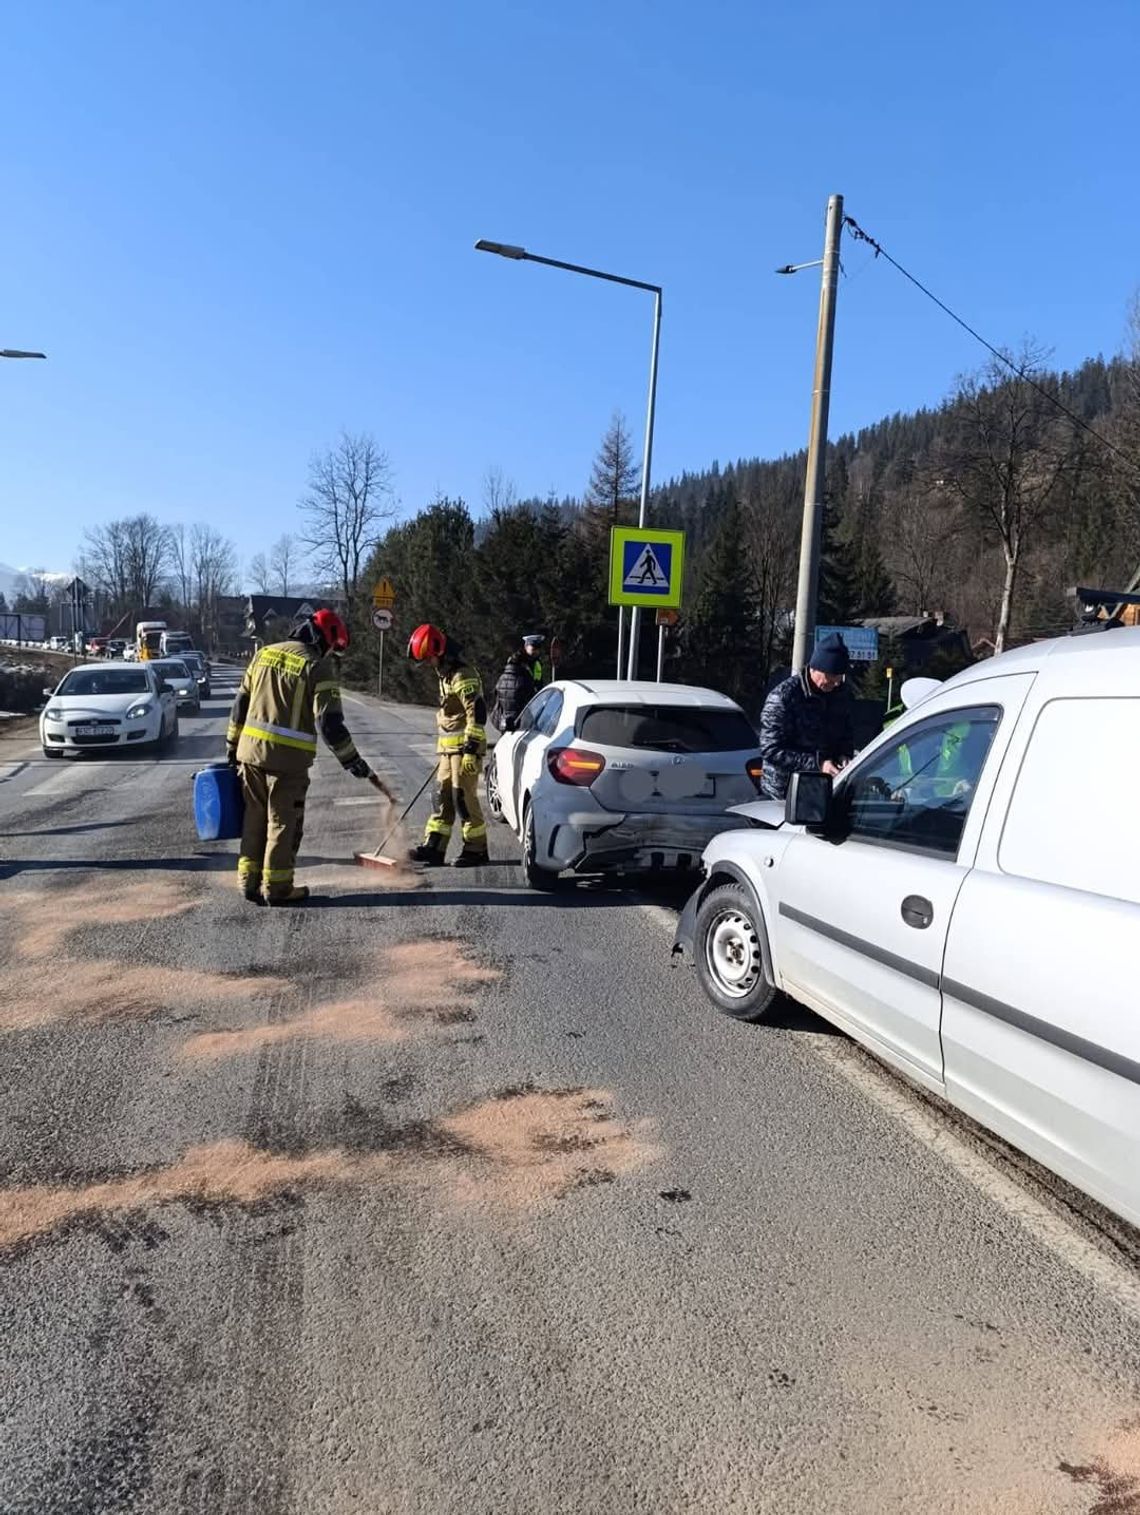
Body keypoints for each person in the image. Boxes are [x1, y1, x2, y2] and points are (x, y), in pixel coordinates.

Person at [225, 608, 388, 905]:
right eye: (331, 647)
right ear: (324, 638)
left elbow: (241, 704)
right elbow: (329, 723)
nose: (329, 653)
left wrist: (232, 745)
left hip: (249, 755)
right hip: (287, 763)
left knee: (254, 818)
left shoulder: (263, 654)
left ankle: (248, 882)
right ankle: (278, 888)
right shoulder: (317, 667)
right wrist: (352, 760)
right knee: (283, 823)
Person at [406, 623, 489, 867]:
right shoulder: (444, 675)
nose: (427, 663)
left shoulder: (463, 675)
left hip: (465, 751)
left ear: (440, 652)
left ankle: (476, 849)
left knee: (463, 798)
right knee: (441, 797)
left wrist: (471, 752)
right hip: (448, 751)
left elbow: (477, 713)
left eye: (428, 658)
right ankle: (434, 847)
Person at [758, 632, 856, 800]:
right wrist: (818, 764)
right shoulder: (784, 697)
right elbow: (771, 749)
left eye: (839, 678)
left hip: (824, 790)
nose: (835, 683)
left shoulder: (841, 695)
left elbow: (846, 733)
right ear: (815, 668)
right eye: (830, 677)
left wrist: (844, 755)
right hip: (783, 794)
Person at [491, 641, 537, 733]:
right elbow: (532, 701)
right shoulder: (524, 678)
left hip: (504, 722)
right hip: (521, 723)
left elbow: (497, 698)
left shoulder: (502, 678)